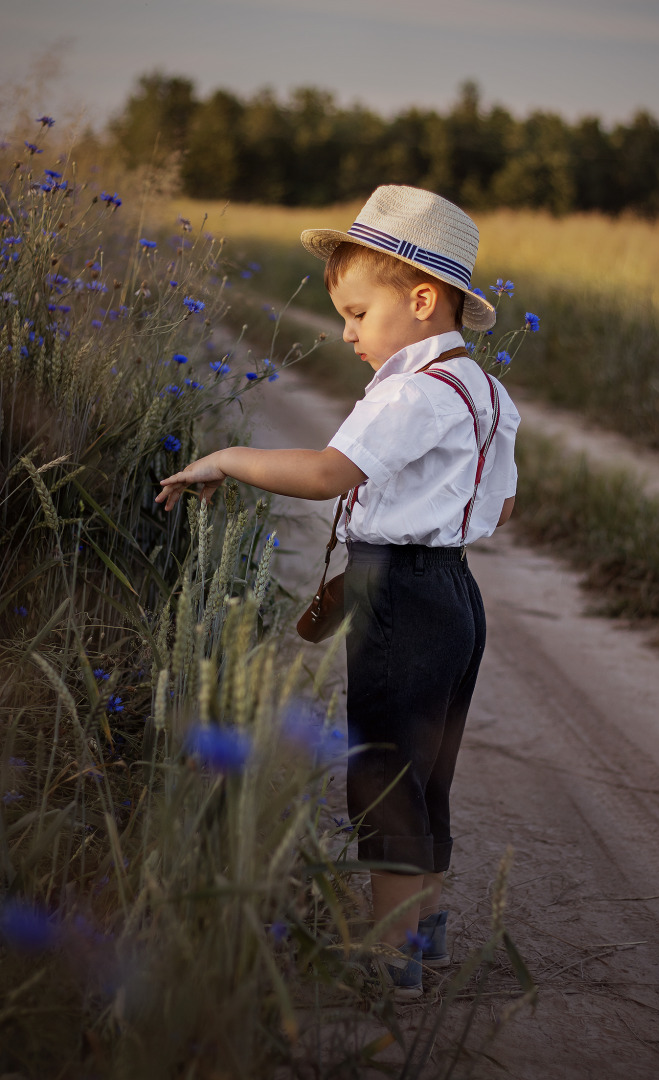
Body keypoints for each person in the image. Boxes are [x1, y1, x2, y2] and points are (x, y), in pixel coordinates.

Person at [156, 185, 521, 999]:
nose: (347, 333)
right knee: (426, 775)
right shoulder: (487, 395)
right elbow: (500, 504)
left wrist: (227, 459)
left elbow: (327, 473)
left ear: (422, 300)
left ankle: (390, 956)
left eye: (357, 314)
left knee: (385, 770)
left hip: (397, 591)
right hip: (456, 595)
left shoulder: (408, 390)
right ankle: (424, 938)